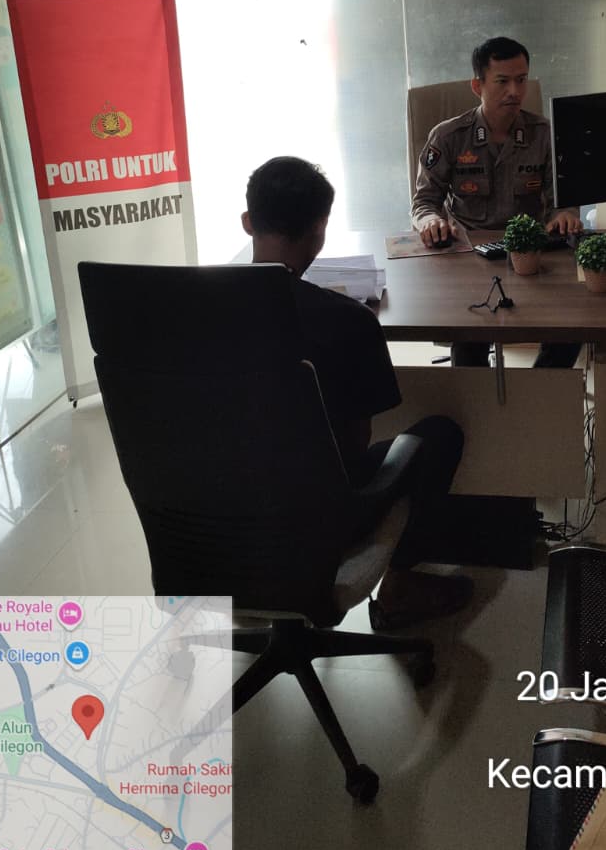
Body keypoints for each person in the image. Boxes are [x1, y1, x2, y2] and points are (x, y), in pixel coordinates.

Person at [242, 155, 472, 629]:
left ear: (248, 222)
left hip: (208, 524)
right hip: (316, 524)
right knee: (440, 434)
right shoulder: (347, 320)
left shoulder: (189, 313)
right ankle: (400, 587)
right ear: (320, 231)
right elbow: (355, 443)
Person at [410, 36, 583, 367]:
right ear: (478, 85)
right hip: (470, 257)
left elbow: (563, 199)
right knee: (469, 345)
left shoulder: (545, 134)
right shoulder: (448, 136)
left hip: (532, 255)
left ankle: (539, 390)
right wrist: (431, 221)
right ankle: (479, 396)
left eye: (521, 80)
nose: (514, 91)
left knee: (571, 328)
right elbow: (424, 202)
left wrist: (565, 214)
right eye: (502, 81)